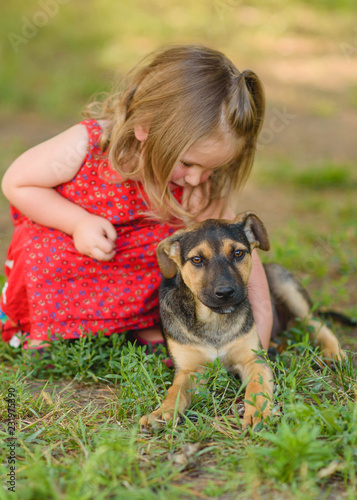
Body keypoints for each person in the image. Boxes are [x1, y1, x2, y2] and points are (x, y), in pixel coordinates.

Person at [0, 44, 273, 354]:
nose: (197, 179)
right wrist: (78, 223)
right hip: (71, 255)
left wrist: (259, 340)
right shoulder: (86, 145)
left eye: (213, 168)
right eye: (188, 164)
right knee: (45, 249)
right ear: (145, 127)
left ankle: (138, 323)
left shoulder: (198, 188)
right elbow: (17, 183)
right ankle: (49, 331)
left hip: (132, 274)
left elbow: (238, 255)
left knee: (170, 256)